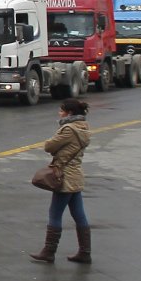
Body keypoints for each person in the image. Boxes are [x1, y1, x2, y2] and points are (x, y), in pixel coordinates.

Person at [30, 98, 91, 264]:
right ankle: (85, 252)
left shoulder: (69, 129)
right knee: (79, 214)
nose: (59, 113)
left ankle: (49, 251)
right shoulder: (84, 127)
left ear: (69, 113)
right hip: (76, 175)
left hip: (64, 177)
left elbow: (49, 146)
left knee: (55, 214)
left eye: (61, 110)